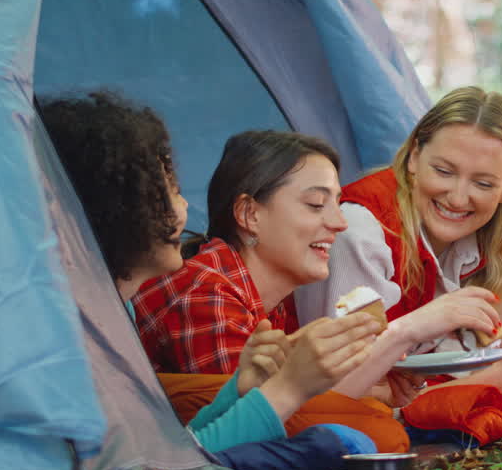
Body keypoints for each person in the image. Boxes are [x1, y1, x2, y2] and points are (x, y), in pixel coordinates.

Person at [38, 92, 378, 470]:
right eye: (171, 189)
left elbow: (177, 446)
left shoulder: (116, 309)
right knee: (336, 445)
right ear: (121, 203)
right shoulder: (75, 327)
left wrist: (239, 390)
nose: (184, 207)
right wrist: (289, 388)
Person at [294, 86, 502, 438]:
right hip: (340, 400)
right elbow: (340, 395)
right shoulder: (359, 232)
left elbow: (488, 341)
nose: (458, 197)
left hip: (396, 388)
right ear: (413, 158)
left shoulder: (472, 235)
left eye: (483, 183)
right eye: (443, 171)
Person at [131, 130, 461, 447]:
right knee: (373, 429)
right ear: (249, 214)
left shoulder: (275, 302)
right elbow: (259, 420)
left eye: (337, 203)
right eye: (317, 204)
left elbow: (292, 401)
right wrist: (403, 335)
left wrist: (384, 390)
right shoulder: (204, 291)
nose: (340, 222)